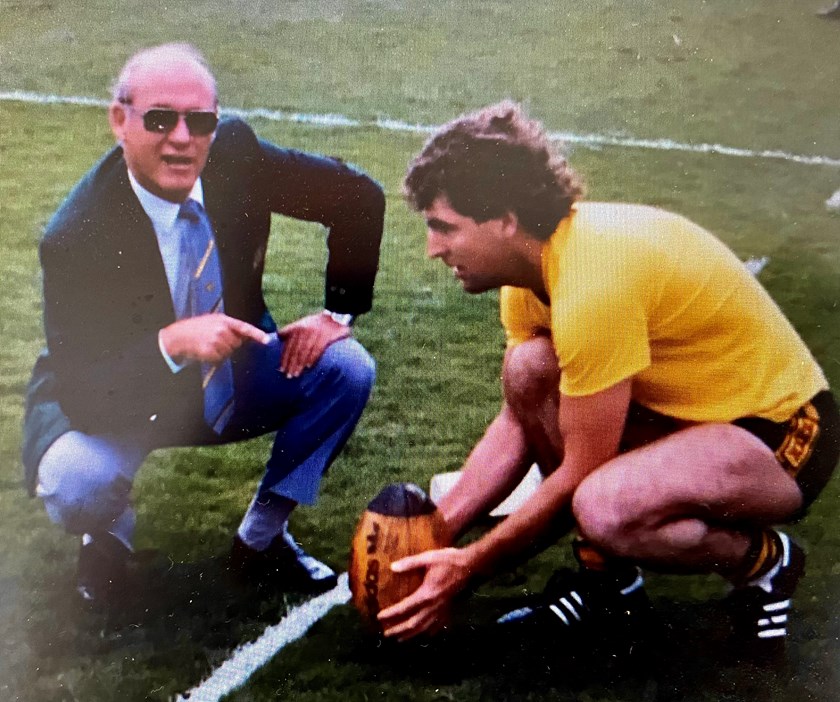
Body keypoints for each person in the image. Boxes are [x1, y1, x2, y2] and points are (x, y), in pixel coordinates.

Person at [378, 101, 839, 658]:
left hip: (781, 432)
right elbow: (517, 422)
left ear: (504, 219)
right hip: (686, 414)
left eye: (443, 227)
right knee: (529, 369)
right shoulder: (528, 272)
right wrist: (437, 533)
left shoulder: (593, 283)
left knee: (603, 505)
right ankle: (611, 584)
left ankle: (767, 564)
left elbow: (581, 471)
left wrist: (469, 569)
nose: (433, 249)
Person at [21, 43, 385, 606]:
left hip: (234, 374)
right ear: (120, 120)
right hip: (124, 396)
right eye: (160, 118)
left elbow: (357, 196)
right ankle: (108, 541)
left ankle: (261, 540)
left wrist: (336, 314)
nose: (182, 138)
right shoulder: (77, 235)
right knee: (75, 479)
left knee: (346, 367)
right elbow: (87, 393)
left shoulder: (234, 154)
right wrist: (170, 342)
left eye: (201, 120)